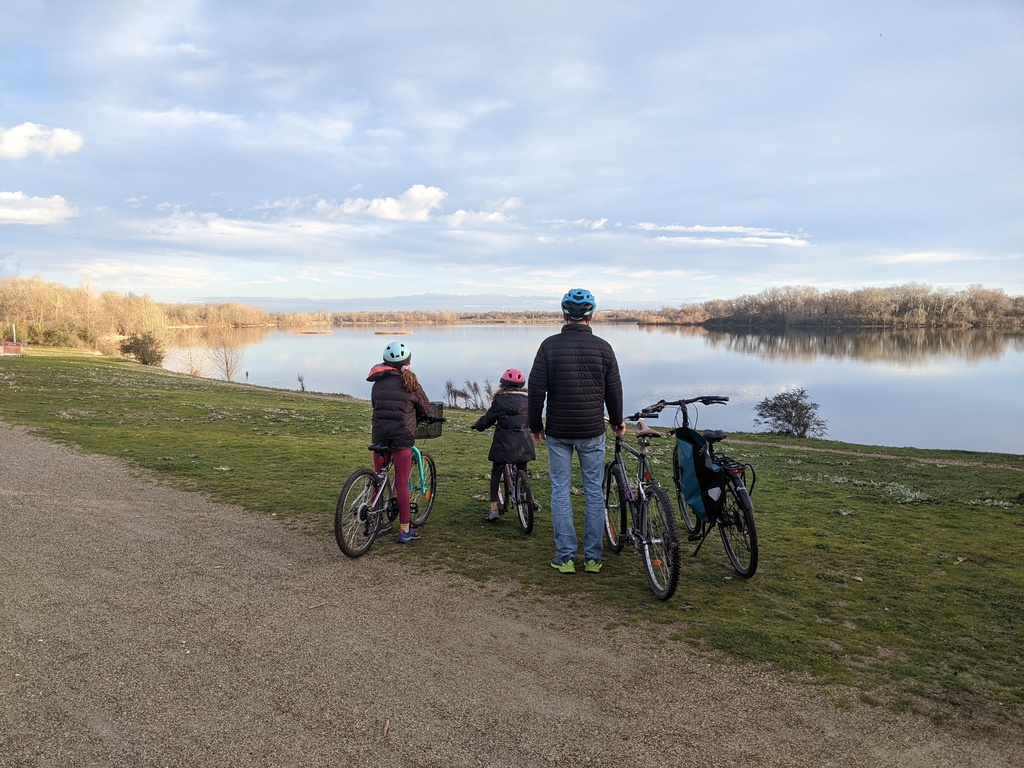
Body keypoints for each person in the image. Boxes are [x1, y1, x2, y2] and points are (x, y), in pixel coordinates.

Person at [528, 288, 625, 574]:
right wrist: (617, 420)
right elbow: (614, 391)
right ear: (591, 316)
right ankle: (593, 558)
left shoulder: (548, 346)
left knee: (560, 490)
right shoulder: (604, 348)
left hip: (558, 431)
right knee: (594, 491)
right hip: (592, 430)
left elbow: (536, 391)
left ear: (563, 315)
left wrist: (535, 426)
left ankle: (566, 557)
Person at [366, 340, 431, 543]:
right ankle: (404, 530)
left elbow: (375, 404)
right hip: (401, 437)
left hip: (379, 436)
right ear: (408, 363)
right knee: (402, 481)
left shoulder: (377, 383)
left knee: (379, 477)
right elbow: (425, 409)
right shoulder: (411, 384)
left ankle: (375, 520)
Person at [472, 368, 536, 522]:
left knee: (496, 472)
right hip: (523, 443)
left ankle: (494, 509)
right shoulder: (529, 400)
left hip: (503, 444)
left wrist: (477, 426)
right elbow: (534, 420)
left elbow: (487, 419)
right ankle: (527, 500)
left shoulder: (500, 400)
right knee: (522, 469)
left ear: (503, 384)